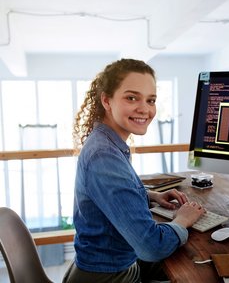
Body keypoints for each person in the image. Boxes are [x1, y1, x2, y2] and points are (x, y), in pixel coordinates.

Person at [62, 59, 205, 283]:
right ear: (107, 101)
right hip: (110, 277)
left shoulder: (106, 142)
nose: (145, 109)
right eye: (132, 98)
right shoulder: (104, 156)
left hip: (110, 266)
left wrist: (150, 196)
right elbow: (151, 247)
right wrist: (181, 220)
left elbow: (108, 197)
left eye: (151, 100)